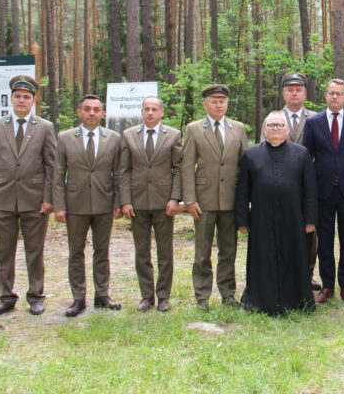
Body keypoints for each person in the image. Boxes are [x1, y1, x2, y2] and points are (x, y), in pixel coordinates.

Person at [0, 76, 56, 316]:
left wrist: (48, 198)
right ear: (11, 99)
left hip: (34, 200)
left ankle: (36, 296)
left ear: (34, 100)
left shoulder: (44, 127)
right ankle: (6, 296)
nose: (22, 101)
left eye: (26, 97)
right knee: (4, 250)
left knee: (35, 250)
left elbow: (51, 166)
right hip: (3, 199)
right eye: (18, 96)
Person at [236, 112, 318, 315]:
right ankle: (261, 301)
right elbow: (242, 191)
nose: (275, 129)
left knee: (294, 257)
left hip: (293, 218)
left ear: (287, 130)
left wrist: (310, 219)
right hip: (261, 217)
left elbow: (310, 190)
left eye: (279, 126)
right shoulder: (251, 154)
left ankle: (296, 301)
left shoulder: (301, 153)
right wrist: (242, 220)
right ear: (264, 130)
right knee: (262, 258)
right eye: (271, 125)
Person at [54, 94, 123, 317]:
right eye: (87, 109)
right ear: (80, 113)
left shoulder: (113, 138)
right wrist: (59, 205)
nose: (92, 113)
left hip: (104, 204)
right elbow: (58, 174)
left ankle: (102, 295)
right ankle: (78, 298)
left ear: (102, 114)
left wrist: (117, 202)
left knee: (102, 252)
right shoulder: (65, 138)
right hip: (75, 205)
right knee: (76, 252)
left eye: (96, 109)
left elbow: (119, 173)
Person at [181, 84, 248, 311]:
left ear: (227, 103)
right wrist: (189, 199)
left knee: (228, 251)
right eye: (214, 102)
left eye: (222, 101)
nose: (219, 105)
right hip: (204, 201)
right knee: (202, 252)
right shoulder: (194, 129)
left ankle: (228, 294)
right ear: (205, 105)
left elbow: (244, 167)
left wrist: (245, 200)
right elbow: (187, 165)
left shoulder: (237, 128)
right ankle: (202, 296)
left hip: (230, 200)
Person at [303, 79, 344, 303]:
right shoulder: (313, 122)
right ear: (325, 95)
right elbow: (305, 158)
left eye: (339, 94)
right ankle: (328, 285)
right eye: (331, 93)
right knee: (325, 242)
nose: (334, 97)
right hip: (323, 191)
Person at [119, 96, 182, 312]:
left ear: (162, 112)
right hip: (138, 203)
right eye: (147, 109)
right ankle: (146, 296)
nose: (150, 113)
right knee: (141, 252)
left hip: (164, 203)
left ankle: (163, 296)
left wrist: (175, 198)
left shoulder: (173, 135)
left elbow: (178, 169)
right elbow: (124, 170)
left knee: (165, 252)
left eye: (155, 109)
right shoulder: (129, 135)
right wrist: (125, 201)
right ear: (141, 111)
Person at [260, 71, 321, 291]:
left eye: (298, 90)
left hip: (307, 185)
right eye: (290, 90)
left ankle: (307, 273)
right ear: (284, 94)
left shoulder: (315, 117)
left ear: (304, 94)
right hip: (279, 185)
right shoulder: (273, 118)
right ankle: (282, 271)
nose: (294, 94)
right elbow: (263, 149)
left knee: (309, 232)